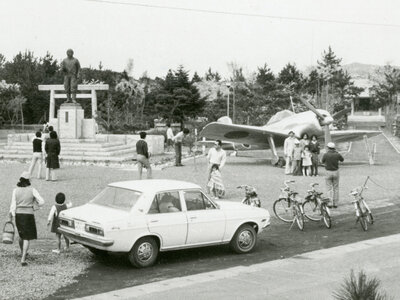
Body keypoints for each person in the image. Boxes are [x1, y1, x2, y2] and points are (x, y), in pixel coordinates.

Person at [8, 172, 45, 266]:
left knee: (21, 235)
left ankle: (22, 252)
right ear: (28, 180)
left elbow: (13, 205)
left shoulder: (15, 190)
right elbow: (42, 201)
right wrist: (35, 204)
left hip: (18, 214)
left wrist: (11, 215)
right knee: (27, 237)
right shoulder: (32, 190)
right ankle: (23, 258)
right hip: (28, 214)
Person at [321, 142, 344, 208]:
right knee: (336, 188)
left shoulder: (326, 154)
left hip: (328, 171)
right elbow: (342, 160)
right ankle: (335, 203)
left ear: (328, 147)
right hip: (336, 171)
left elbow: (322, 161)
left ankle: (330, 203)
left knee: (329, 188)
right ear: (334, 148)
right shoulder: (337, 154)